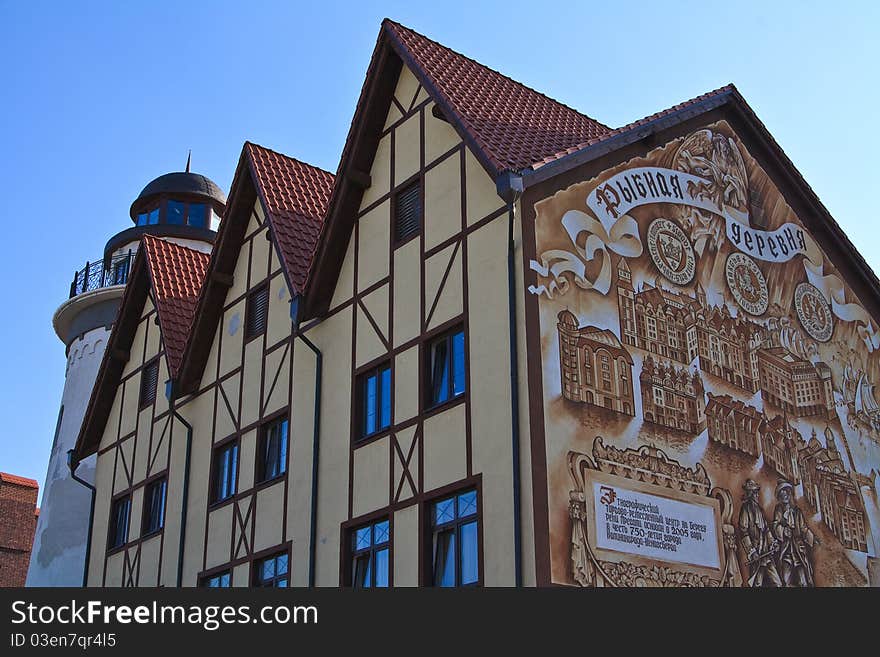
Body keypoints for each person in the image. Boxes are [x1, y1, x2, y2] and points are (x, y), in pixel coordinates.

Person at [771, 480, 819, 587]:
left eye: (787, 494)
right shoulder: (778, 511)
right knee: (786, 580)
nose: (786, 497)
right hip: (786, 551)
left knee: (803, 581)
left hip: (798, 549)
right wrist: (783, 531)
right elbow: (775, 526)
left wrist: (812, 537)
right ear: (780, 497)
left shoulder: (797, 511)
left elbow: (803, 528)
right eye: (783, 495)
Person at [738, 479, 781, 587]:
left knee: (777, 583)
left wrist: (773, 543)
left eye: (757, 492)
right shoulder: (746, 509)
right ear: (750, 494)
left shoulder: (760, 510)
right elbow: (743, 531)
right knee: (757, 583)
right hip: (757, 554)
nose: (757, 495)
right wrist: (752, 551)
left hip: (766, 553)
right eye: (755, 492)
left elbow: (766, 530)